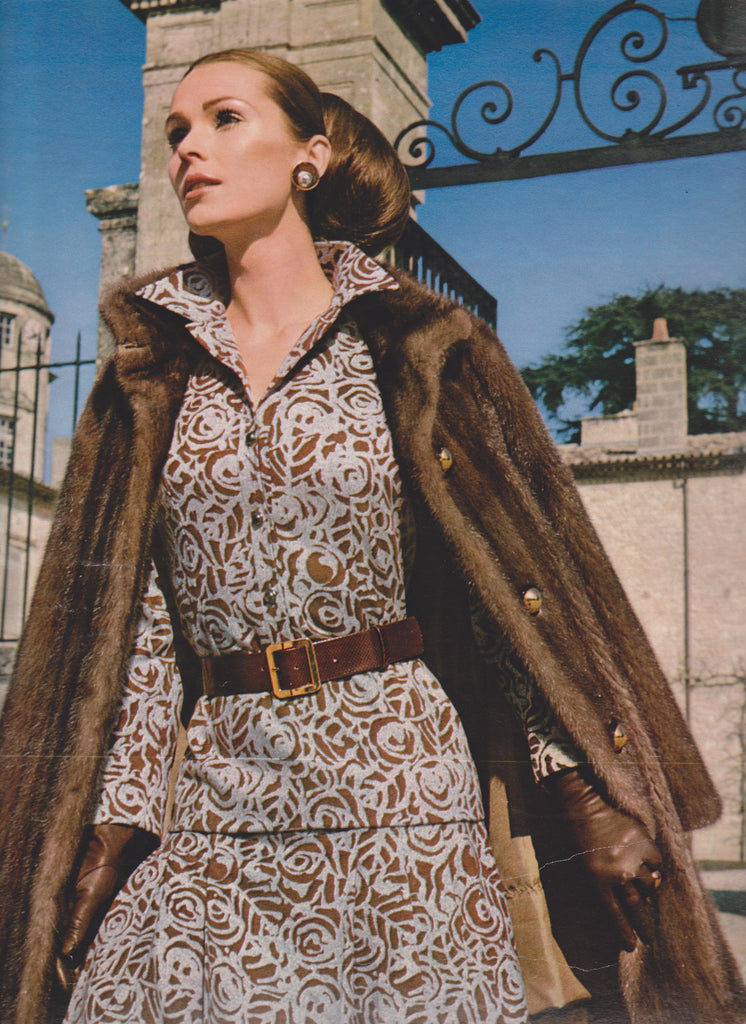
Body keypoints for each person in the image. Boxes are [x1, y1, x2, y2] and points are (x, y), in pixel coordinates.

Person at [0, 48, 743, 1024]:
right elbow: (138, 621)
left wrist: (581, 784)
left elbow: (506, 583)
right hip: (219, 779)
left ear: (309, 157)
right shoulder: (150, 364)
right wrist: (119, 815)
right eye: (176, 129)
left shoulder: (416, 345)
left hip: (394, 778)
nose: (186, 149)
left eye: (224, 119)